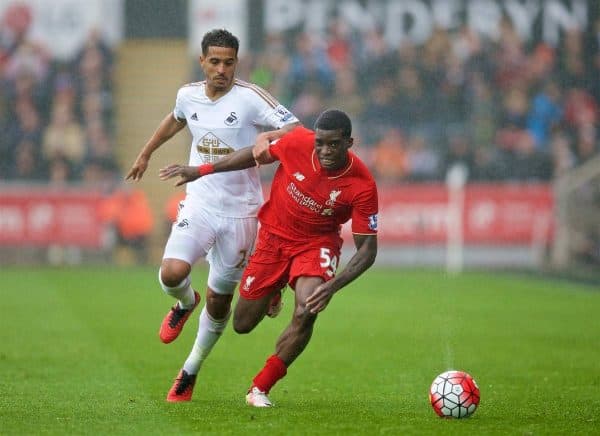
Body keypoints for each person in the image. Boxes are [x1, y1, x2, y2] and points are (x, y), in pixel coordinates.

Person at [159, 109, 379, 407]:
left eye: (334, 144)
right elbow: (252, 155)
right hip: (273, 238)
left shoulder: (362, 185)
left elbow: (367, 250)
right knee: (242, 323)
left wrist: (333, 286)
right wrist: (201, 171)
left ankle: (260, 388)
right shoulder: (298, 142)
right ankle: (275, 289)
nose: (325, 151)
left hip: (316, 244)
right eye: (321, 143)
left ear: (349, 143)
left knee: (308, 308)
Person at [126, 29, 300, 402]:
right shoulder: (188, 95)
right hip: (201, 202)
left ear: (237, 62)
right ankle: (185, 302)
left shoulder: (251, 98)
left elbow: (295, 128)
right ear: (202, 61)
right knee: (172, 272)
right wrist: (146, 152)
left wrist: (267, 138)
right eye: (215, 61)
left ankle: (189, 371)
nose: (222, 69)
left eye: (229, 62)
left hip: (241, 214)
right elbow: (176, 118)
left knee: (221, 301)